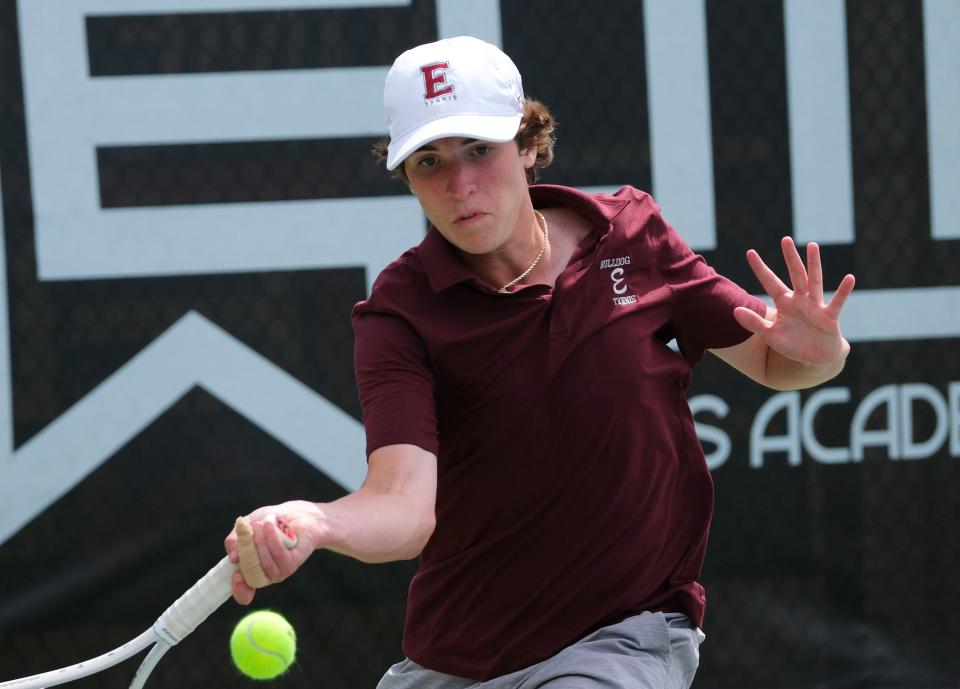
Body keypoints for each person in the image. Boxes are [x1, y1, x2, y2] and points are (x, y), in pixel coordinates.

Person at [223, 36, 855, 688]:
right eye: (430, 162)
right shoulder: (399, 314)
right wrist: (319, 521)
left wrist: (822, 354)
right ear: (406, 176)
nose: (460, 184)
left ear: (527, 145)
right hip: (453, 659)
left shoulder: (632, 237)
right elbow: (404, 506)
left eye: (479, 150)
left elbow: (773, 362)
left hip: (622, 636)